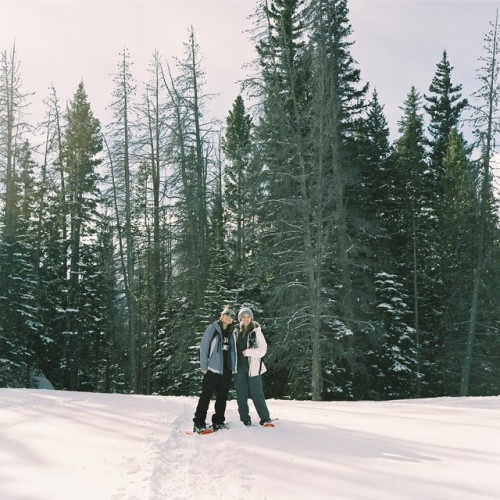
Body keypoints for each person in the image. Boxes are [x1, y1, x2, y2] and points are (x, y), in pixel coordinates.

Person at [192, 306, 237, 433]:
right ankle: (199, 423)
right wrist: (204, 366)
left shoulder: (232, 332)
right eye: (226, 314)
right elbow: (204, 347)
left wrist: (233, 367)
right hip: (212, 369)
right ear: (221, 316)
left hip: (226, 370)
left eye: (232, 316)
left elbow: (233, 350)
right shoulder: (213, 329)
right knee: (205, 396)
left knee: (222, 397)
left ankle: (218, 421)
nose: (229, 317)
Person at [234, 306, 274, 427]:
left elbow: (263, 350)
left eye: (248, 316)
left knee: (257, 394)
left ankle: (265, 419)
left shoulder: (256, 332)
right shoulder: (235, 332)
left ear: (251, 318)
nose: (246, 319)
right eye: (243, 317)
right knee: (241, 394)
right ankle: (245, 419)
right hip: (239, 368)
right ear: (240, 318)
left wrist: (248, 352)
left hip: (254, 369)